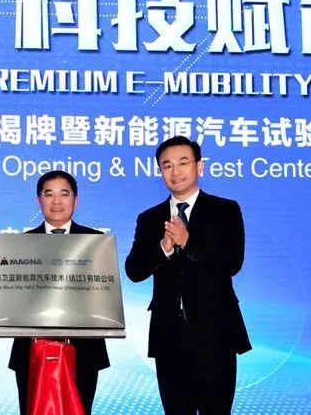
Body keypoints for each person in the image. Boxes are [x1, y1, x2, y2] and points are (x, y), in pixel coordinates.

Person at [125, 136, 251, 415]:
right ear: (160, 171)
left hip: (216, 332)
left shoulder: (225, 210)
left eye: (183, 163)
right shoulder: (149, 218)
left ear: (199, 166)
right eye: (167, 165)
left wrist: (188, 243)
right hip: (168, 336)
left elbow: (232, 263)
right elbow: (134, 271)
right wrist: (163, 248)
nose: (175, 171)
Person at [8, 170, 110, 415]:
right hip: (31, 351)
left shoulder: (96, 241)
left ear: (75, 199)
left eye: (64, 194)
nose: (57, 201)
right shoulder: (20, 244)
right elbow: (12, 300)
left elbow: (104, 296)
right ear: (39, 200)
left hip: (84, 351)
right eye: (49, 194)